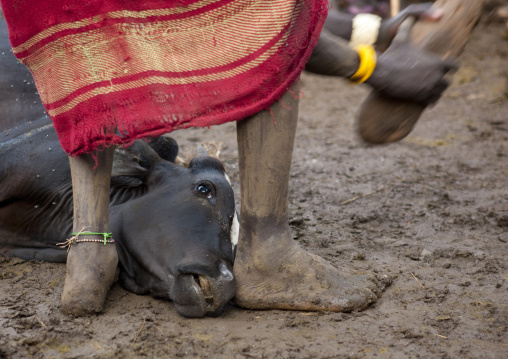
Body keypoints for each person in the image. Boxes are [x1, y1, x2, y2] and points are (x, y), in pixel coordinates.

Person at [0, 0, 456, 315]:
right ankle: (269, 251)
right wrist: (371, 67)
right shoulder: (128, 160)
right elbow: (243, 18)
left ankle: (89, 255)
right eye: (204, 191)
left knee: (77, 19)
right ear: (137, 169)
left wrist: (370, 31)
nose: (225, 269)